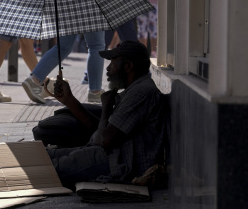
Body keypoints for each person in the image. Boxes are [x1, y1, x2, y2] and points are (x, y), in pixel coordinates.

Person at [46, 41, 166, 190]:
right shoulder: (135, 89)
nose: (108, 69)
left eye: (113, 63)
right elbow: (99, 131)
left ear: (128, 66)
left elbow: (104, 140)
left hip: (118, 162)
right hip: (108, 153)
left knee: (48, 169)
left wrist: (107, 108)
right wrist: (68, 100)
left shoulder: (141, 93)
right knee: (45, 156)